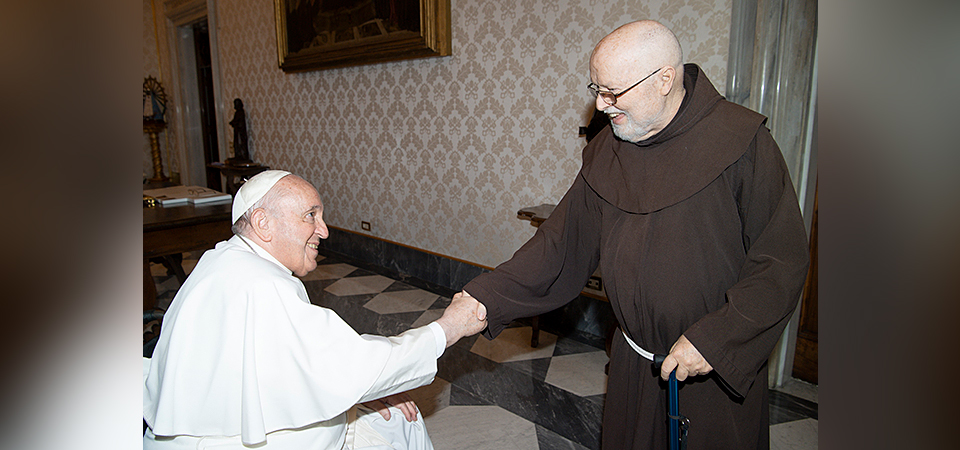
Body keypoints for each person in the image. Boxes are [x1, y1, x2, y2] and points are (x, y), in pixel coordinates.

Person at [457, 20, 810, 449]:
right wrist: (486, 296)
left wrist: (716, 340)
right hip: (633, 361)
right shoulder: (608, 149)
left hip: (710, 370)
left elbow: (780, 261)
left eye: (613, 91)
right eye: (597, 89)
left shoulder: (742, 141)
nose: (603, 105)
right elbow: (559, 245)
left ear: (664, 79)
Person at [143, 170, 486, 449]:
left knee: (387, 410)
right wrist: (448, 327)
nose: (323, 230)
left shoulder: (222, 260)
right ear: (263, 223)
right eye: (311, 215)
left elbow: (286, 370)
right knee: (400, 423)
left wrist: (355, 395)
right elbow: (352, 365)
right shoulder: (263, 284)